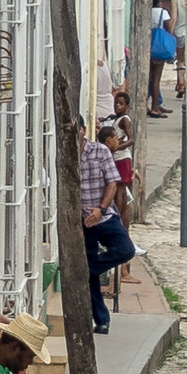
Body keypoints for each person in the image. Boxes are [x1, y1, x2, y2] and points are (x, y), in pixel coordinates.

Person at [80, 116, 136, 334]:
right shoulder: (63, 153)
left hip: (102, 215)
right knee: (91, 272)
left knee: (125, 249)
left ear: (83, 130)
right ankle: (101, 320)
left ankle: (87, 269)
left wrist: (101, 208)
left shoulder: (100, 151)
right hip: (79, 222)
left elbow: (112, 182)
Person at [106, 92, 138, 284]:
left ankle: (121, 220)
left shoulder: (124, 120)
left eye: (121, 103)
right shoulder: (115, 119)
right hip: (116, 159)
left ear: (127, 105)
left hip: (122, 160)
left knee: (120, 196)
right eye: (116, 103)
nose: (118, 106)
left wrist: (117, 147)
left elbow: (132, 140)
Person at [149, 0, 173, 119]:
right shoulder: (162, 13)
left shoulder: (146, 11)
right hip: (158, 47)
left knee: (149, 78)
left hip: (148, 45)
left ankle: (152, 104)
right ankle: (155, 107)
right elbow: (169, 29)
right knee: (156, 79)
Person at [171, 0, 186, 97]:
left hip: (180, 32)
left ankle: (181, 84)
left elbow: (174, 17)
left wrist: (170, 32)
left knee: (180, 61)